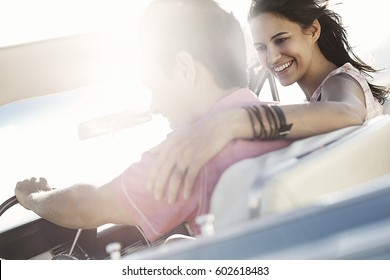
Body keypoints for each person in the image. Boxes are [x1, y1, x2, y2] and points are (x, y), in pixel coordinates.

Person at [14, 0, 292, 242]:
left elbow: (83, 206)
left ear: (185, 68)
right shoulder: (293, 120)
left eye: (153, 85)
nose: (155, 106)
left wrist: (33, 197)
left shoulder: (190, 153)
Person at [148, 0, 389, 203]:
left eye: (281, 40)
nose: (272, 57)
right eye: (261, 48)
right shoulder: (321, 92)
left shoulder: (339, 81)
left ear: (313, 31)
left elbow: (348, 112)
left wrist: (236, 121)